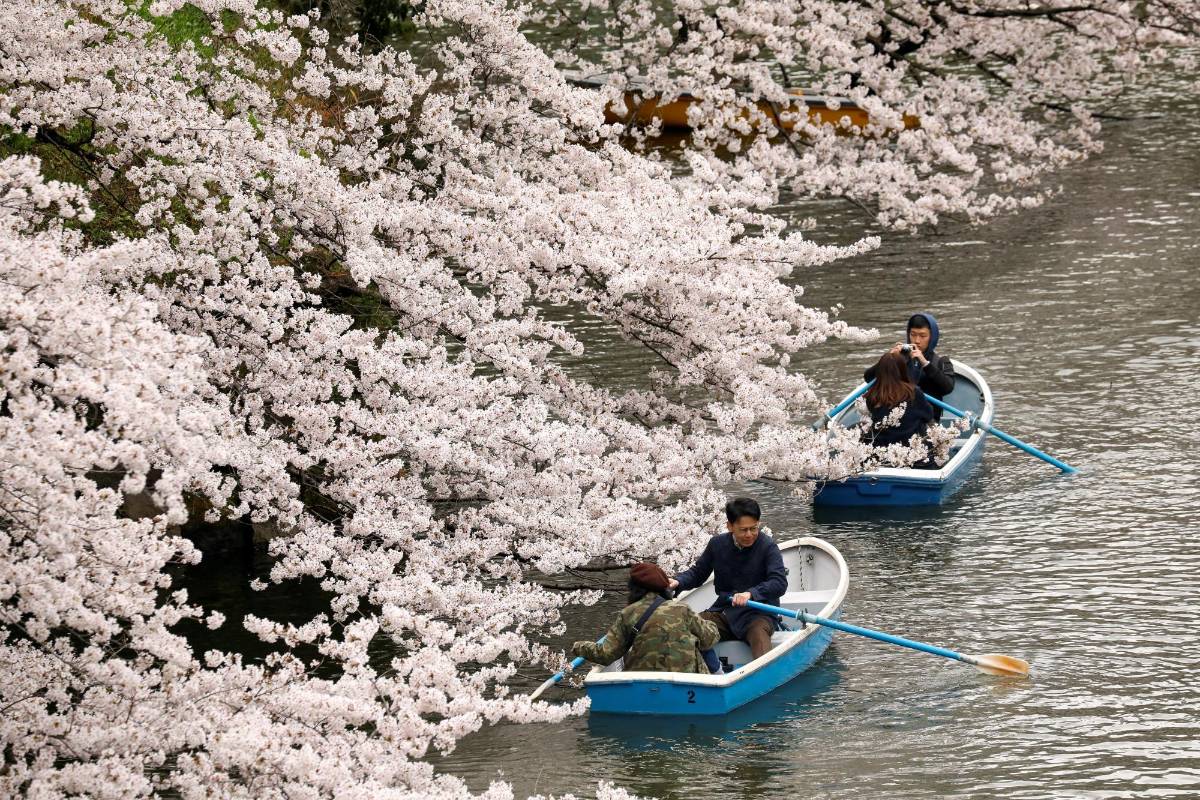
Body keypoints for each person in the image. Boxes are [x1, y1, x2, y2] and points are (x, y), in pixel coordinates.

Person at [668, 498, 787, 662]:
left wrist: (751, 594)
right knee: (686, 628)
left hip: (759, 613)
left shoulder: (768, 546)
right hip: (725, 612)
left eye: (754, 528)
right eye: (743, 530)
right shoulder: (717, 544)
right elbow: (697, 573)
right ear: (730, 526)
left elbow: (779, 583)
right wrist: (678, 582)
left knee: (759, 636)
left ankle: (763, 675)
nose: (749, 534)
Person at [572, 562, 720, 674]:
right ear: (665, 588)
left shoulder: (628, 614)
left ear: (633, 588)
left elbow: (607, 654)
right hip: (687, 681)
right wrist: (710, 624)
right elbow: (710, 638)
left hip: (643, 683)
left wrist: (579, 647)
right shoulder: (682, 609)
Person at [864, 312, 955, 420]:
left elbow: (947, 388)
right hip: (895, 417)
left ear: (932, 337)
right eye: (913, 334)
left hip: (926, 419)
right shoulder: (899, 358)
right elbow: (868, 378)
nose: (917, 340)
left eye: (922, 336)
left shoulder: (941, 361)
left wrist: (925, 363)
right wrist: (889, 358)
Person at [861, 351, 937, 460]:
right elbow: (928, 415)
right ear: (903, 369)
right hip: (912, 453)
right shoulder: (914, 392)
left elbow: (868, 376)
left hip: (882, 453)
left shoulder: (872, 395)